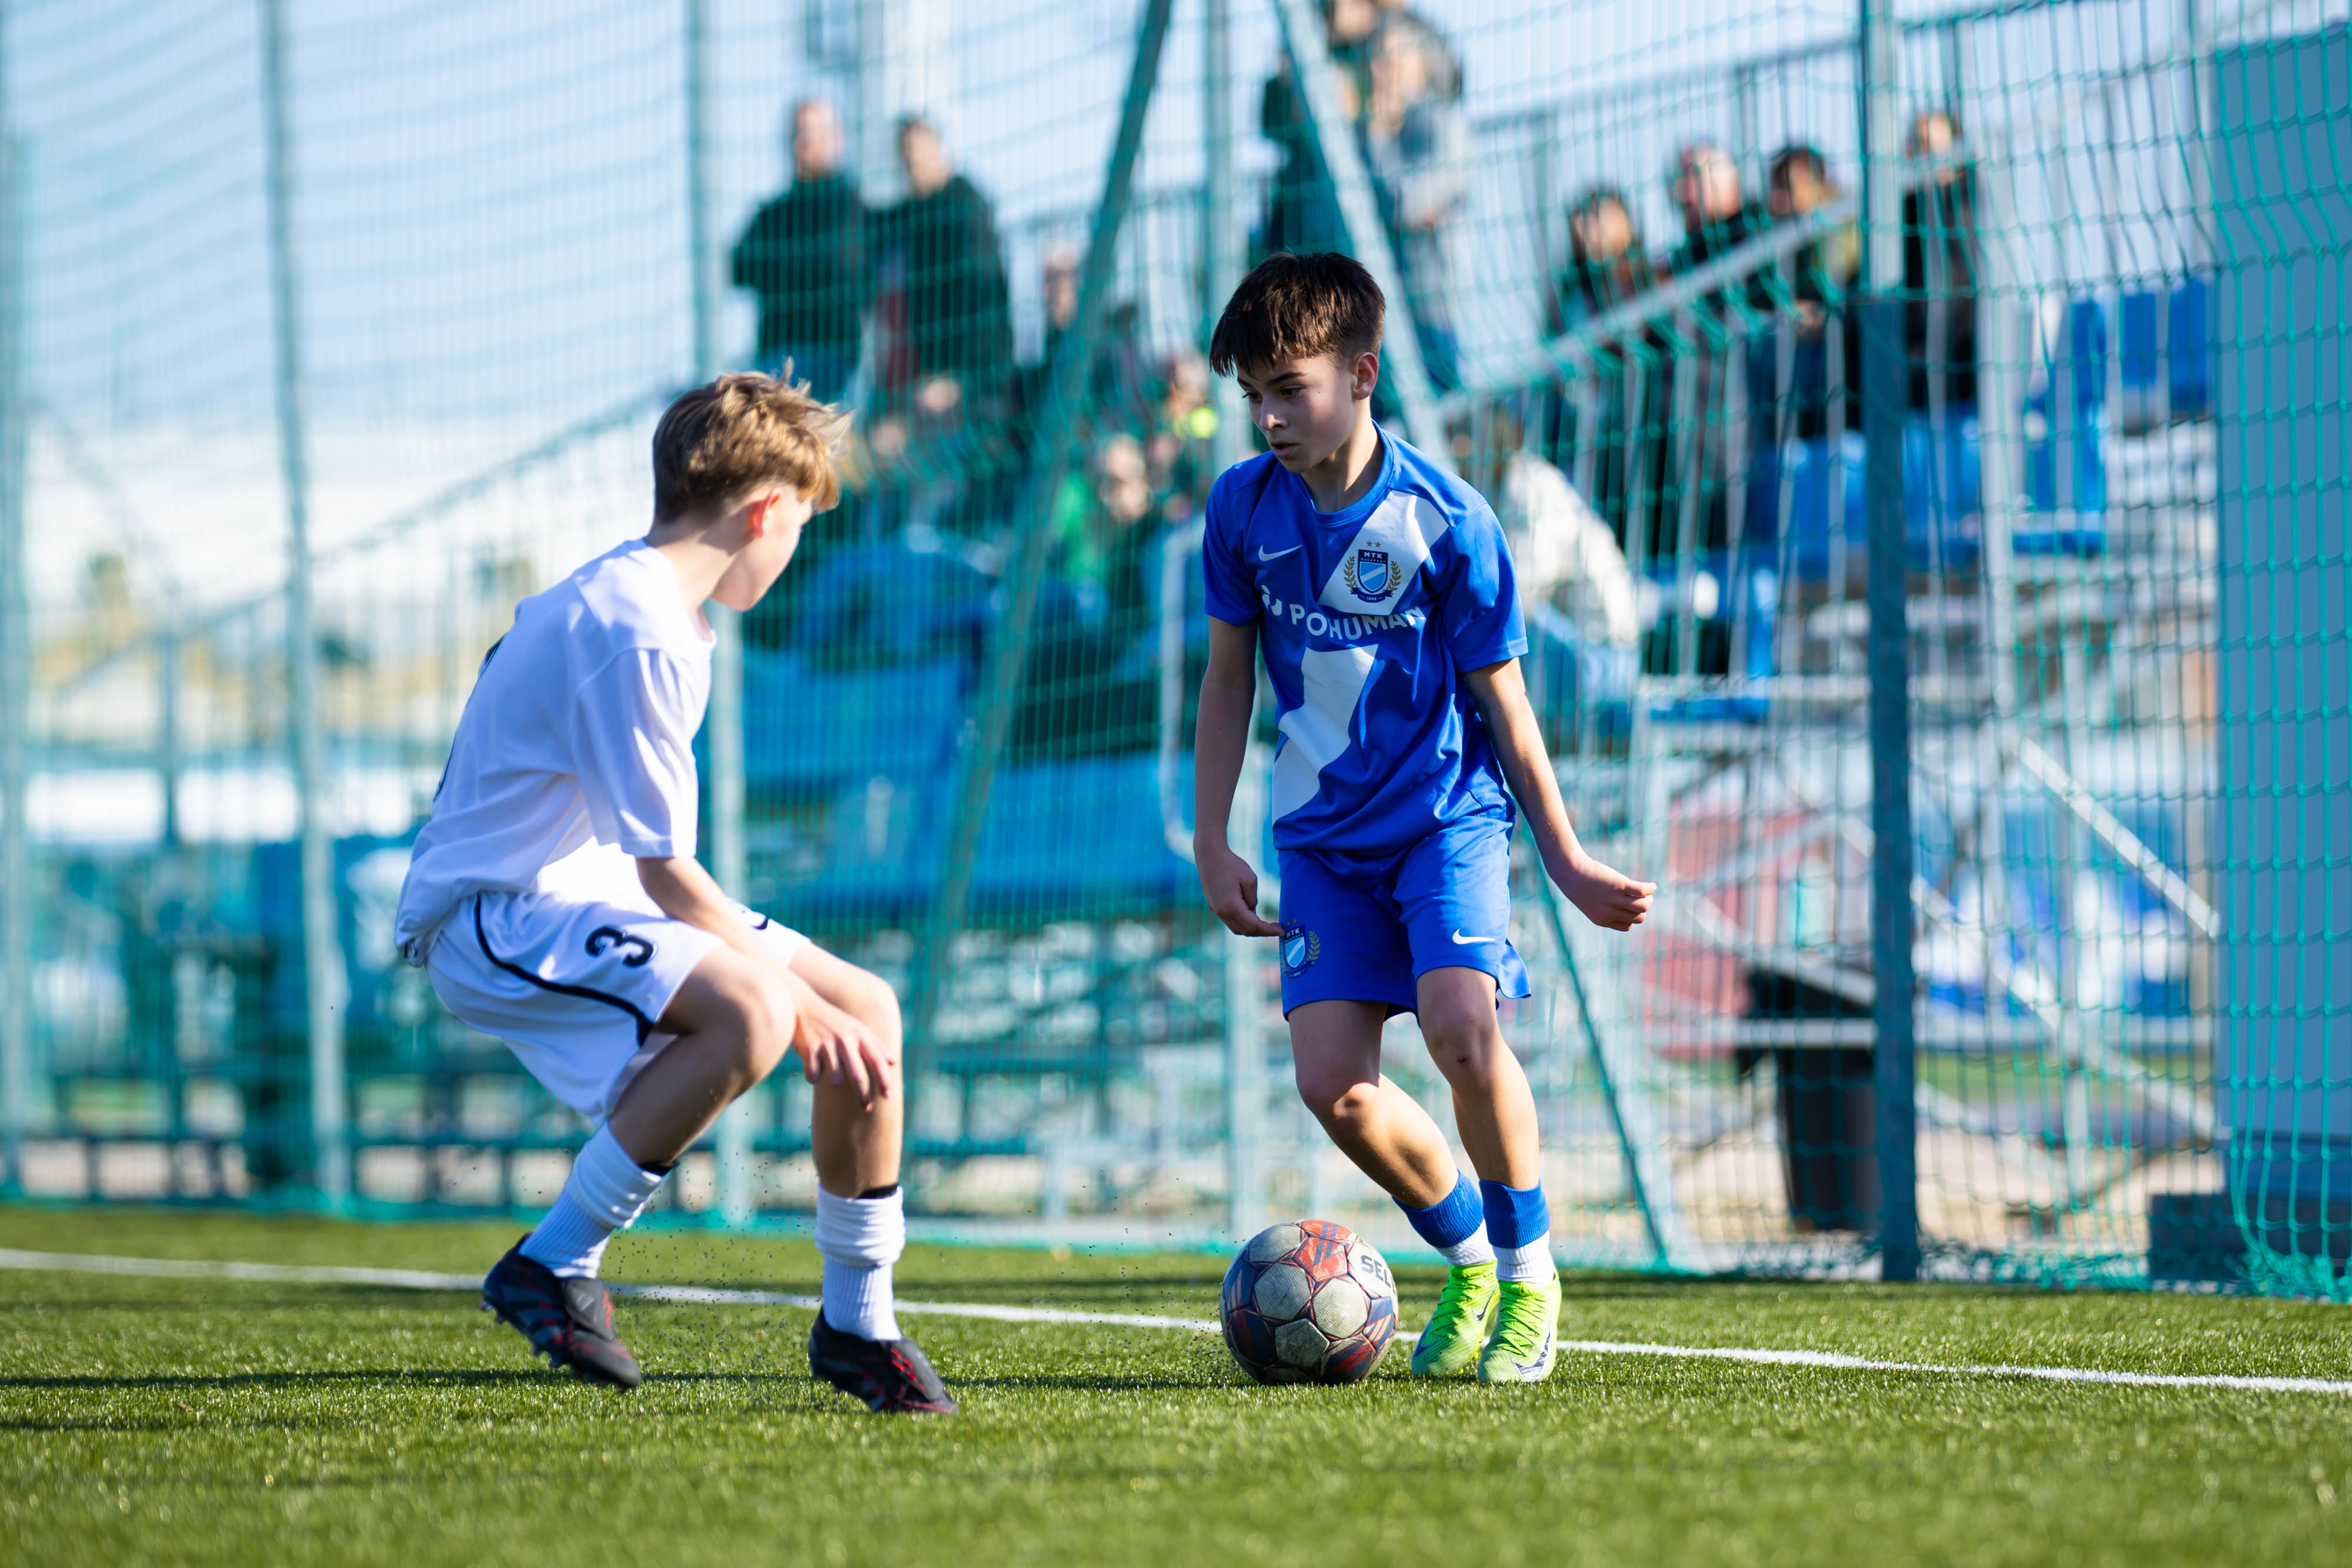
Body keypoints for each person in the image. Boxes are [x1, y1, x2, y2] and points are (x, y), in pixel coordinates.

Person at [392, 374, 954, 1415]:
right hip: (491, 912)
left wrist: (826, 1006)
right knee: (758, 1011)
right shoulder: (638, 625)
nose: (792, 557)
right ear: (765, 510)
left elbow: (650, 875)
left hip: (579, 895)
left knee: (870, 1007)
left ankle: (858, 1325)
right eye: (802, 526)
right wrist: (799, 1010)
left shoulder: (647, 604)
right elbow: (666, 876)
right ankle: (553, 1264)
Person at [1190, 254, 1655, 1385]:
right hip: (1318, 837)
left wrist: (1567, 857)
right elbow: (1226, 681)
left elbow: (1506, 700)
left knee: (1460, 1024)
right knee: (1333, 1086)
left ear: (1362, 374)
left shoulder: (1451, 521)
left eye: (1288, 387)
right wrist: (1212, 835)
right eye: (1254, 391)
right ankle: (1468, 1262)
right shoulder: (1242, 507)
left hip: (1448, 818)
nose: (1268, 414)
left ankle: (1532, 1273)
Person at [870, 116, 1014, 420]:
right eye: (906, 154)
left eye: (919, 151)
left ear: (940, 151)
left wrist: (960, 380)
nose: (913, 161)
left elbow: (985, 303)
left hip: (975, 386)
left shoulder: (966, 210)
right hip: (923, 382)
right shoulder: (909, 217)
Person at [730, 99, 869, 403]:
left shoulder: (849, 205)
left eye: (811, 132)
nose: (803, 141)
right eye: (797, 133)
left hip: (835, 359)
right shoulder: (773, 213)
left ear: (836, 139)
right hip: (776, 362)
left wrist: (777, 265)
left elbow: (842, 263)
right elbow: (738, 266)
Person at [1362, 20, 1469, 393]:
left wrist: (1378, 135)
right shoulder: (1360, 130)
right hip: (1372, 316)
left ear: (1421, 64)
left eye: (1392, 58)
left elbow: (1409, 204)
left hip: (1430, 310)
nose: (1380, 70)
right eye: (1376, 59)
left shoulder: (1438, 123)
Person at [1903, 109, 1980, 412]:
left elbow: (1948, 302)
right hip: (1916, 365)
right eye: (1914, 145)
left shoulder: (1967, 215)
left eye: (1927, 147)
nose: (1915, 155)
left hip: (1954, 371)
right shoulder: (1904, 214)